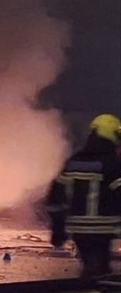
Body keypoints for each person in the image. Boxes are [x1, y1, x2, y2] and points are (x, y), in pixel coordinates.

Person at [45, 113, 121, 279]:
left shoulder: (74, 162)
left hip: (78, 231)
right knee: (100, 273)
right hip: (103, 230)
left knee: (90, 267)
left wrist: (58, 229)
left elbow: (55, 197)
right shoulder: (112, 165)